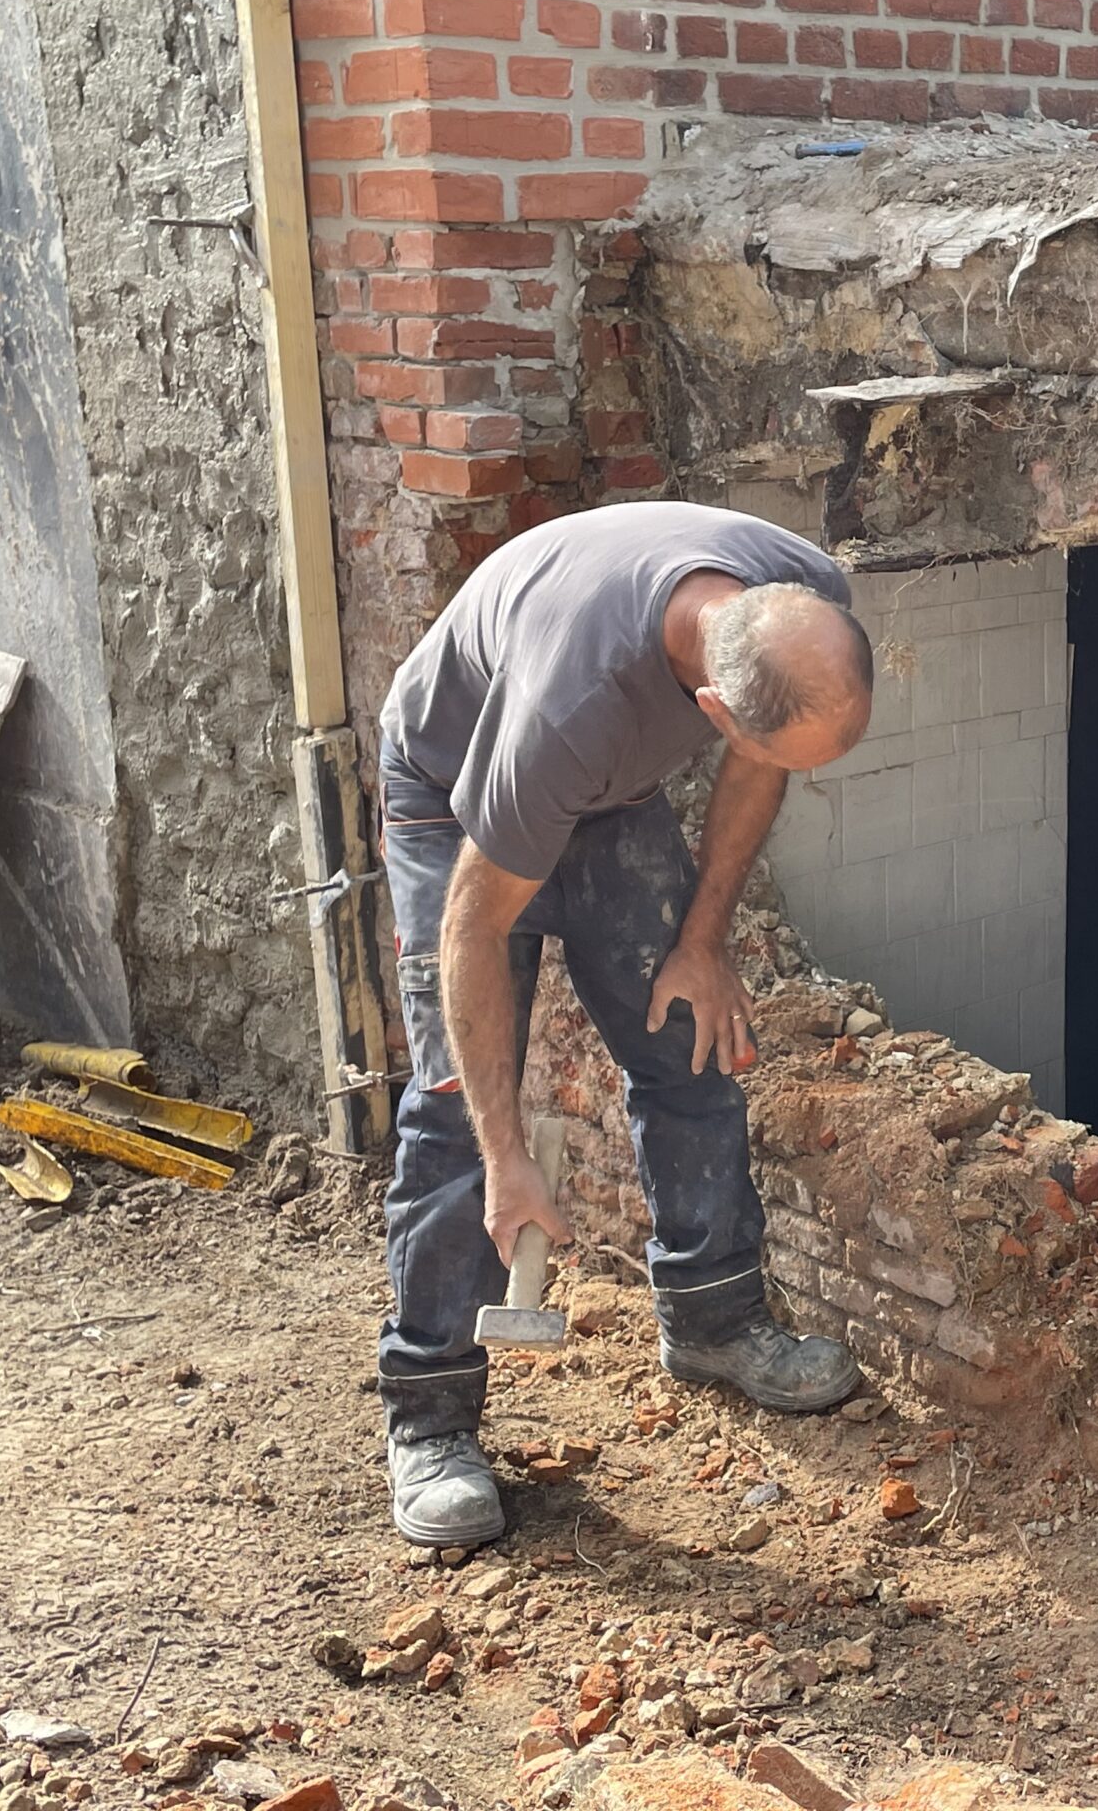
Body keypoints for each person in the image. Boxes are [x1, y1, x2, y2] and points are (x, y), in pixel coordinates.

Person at [374, 501, 875, 1547]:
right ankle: (429, 1417)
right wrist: (510, 1155)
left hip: (612, 796)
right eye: (778, 750)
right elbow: (472, 931)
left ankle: (715, 1320)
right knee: (456, 1109)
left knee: (689, 1033)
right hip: (455, 792)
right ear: (710, 706)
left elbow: (760, 760)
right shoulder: (567, 711)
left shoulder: (800, 601)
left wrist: (702, 941)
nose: (793, 770)